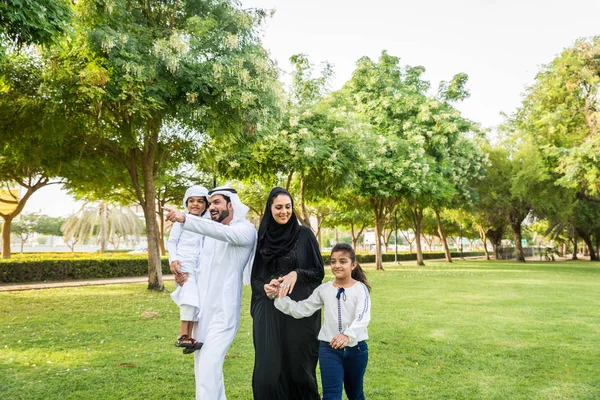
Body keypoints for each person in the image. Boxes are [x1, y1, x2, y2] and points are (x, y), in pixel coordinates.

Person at [164, 186, 256, 400]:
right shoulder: (207, 232)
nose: (211, 207)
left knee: (209, 367)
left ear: (231, 205)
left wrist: (184, 218)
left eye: (216, 203)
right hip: (202, 313)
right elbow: (192, 257)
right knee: (203, 371)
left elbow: (222, 232)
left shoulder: (245, 229)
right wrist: (179, 271)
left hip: (223, 314)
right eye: (210, 203)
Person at [251, 187, 324, 399]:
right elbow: (255, 277)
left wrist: (296, 274)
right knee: (268, 371)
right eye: (278, 207)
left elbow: (318, 271)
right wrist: (265, 286)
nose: (284, 211)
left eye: (288, 206)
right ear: (270, 209)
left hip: (298, 312)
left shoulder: (304, 235)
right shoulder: (262, 237)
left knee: (299, 370)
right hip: (269, 309)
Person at [272, 243, 371, 400]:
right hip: (329, 349)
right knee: (331, 396)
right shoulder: (324, 289)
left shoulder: (360, 289)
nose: (337, 265)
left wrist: (347, 335)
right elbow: (301, 309)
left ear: (353, 265)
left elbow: (363, 316)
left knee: (355, 394)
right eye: (333, 261)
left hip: (356, 350)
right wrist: (278, 296)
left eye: (343, 261)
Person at [167, 185, 209, 352]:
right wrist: (173, 260)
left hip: (200, 268)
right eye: (191, 201)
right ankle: (182, 335)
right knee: (190, 295)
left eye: (200, 201)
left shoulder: (208, 223)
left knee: (195, 300)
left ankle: (188, 336)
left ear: (206, 204)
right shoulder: (181, 220)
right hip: (184, 265)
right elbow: (171, 242)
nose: (195, 204)